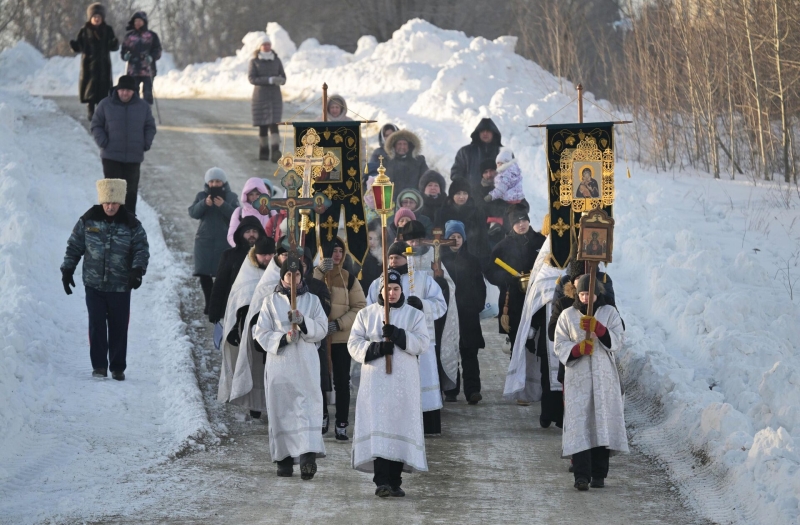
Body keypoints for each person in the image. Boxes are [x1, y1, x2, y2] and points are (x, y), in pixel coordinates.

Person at [348, 269, 430, 497]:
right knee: (380, 426)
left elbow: (423, 343)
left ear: (401, 290)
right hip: (376, 382)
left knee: (399, 425)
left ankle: (395, 480)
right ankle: (382, 481)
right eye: (388, 289)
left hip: (403, 382)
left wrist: (399, 335)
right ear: (381, 290)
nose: (392, 293)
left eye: (396, 289)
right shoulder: (366, 314)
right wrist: (375, 348)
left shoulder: (414, 315)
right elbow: (353, 343)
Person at [61, 179, 149, 380]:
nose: (110, 207)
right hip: (94, 285)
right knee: (97, 325)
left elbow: (141, 249)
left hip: (120, 285)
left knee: (119, 326)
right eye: (107, 203)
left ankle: (117, 367)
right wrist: (67, 269)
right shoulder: (88, 220)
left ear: (120, 202)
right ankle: (99, 366)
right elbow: (74, 246)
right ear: (102, 201)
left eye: (114, 203)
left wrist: (137, 271)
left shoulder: (132, 224)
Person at [253, 258, 329, 479]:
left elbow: (322, 328)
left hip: (305, 361)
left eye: (297, 275)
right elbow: (261, 333)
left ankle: (307, 458)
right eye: (289, 275)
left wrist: (303, 322)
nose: (293, 279)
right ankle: (284, 460)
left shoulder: (313, 300)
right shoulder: (270, 302)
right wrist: (284, 338)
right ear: (282, 276)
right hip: (281, 363)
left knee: (307, 407)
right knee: (282, 409)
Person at [554, 275, 627, 490]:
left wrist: (600, 330)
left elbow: (618, 339)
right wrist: (577, 349)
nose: (586, 298)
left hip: (604, 376)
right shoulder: (567, 315)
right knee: (580, 424)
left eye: (589, 294)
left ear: (597, 293)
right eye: (583, 294)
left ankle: (599, 474)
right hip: (578, 378)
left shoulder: (609, 312)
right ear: (577, 294)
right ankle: (581, 476)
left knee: (601, 422)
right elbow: (559, 343)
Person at [365, 241, 446, 435]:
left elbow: (441, 305)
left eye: (398, 257)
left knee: (423, 380)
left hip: (418, 341)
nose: (393, 261)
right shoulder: (379, 283)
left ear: (407, 258)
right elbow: (369, 310)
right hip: (390, 342)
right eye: (391, 257)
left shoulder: (422, 279)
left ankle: (428, 426)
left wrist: (422, 305)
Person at [314, 237, 366, 441]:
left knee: (342, 381)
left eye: (340, 251)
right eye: (333, 250)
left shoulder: (349, 278)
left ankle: (342, 422)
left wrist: (339, 324)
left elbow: (359, 306)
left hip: (341, 339)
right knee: (319, 380)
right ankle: (322, 416)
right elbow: (305, 296)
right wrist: (319, 273)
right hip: (318, 338)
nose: (336, 255)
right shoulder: (313, 275)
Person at [220, 236, 275, 420]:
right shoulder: (247, 272)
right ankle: (254, 405)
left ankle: (272, 404)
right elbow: (238, 300)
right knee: (254, 366)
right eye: (263, 255)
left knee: (272, 367)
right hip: (249, 327)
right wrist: (235, 328)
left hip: (273, 326)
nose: (267, 258)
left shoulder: (277, 271)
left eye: (270, 254)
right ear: (255, 254)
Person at [486, 205, 545, 364]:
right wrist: (508, 278)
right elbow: (490, 272)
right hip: (512, 300)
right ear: (512, 225)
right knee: (517, 343)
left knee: (539, 344)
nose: (521, 224)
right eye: (517, 222)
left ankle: (539, 378)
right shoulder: (503, 246)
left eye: (524, 220)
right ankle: (516, 376)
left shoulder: (541, 242)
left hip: (538, 298)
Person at [91, 75, 156, 215]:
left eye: (128, 90)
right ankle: (111, 221)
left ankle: (128, 222)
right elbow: (96, 124)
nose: (125, 93)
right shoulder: (105, 104)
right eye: (122, 90)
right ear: (117, 89)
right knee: (112, 193)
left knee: (130, 192)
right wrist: (103, 142)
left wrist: (145, 143)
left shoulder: (143, 107)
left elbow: (150, 126)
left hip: (133, 157)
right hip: (111, 156)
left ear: (134, 91)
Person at [440, 220, 484, 404]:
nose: (456, 240)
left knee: (470, 354)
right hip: (447, 313)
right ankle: (451, 389)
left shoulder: (472, 260)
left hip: (468, 315)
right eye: (452, 236)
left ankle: (473, 390)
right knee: (449, 351)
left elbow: (480, 286)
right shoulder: (440, 261)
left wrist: (476, 306)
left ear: (464, 239)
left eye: (459, 236)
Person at [188, 167, 239, 315]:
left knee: (222, 274)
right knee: (204, 273)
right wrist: (204, 203)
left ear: (223, 182)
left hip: (224, 241)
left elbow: (237, 215)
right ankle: (209, 303)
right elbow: (193, 213)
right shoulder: (201, 196)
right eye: (212, 181)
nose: (215, 184)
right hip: (204, 241)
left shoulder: (231, 197)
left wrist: (223, 205)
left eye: (218, 181)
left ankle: (219, 304)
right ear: (207, 183)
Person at [208, 216, 262, 325]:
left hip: (260, 312)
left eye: (255, 231)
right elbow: (220, 284)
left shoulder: (266, 256)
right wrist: (214, 312)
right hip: (234, 310)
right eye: (247, 231)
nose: (251, 234)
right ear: (241, 234)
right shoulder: (229, 255)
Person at [69, 3, 119, 120]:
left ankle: (101, 112)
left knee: (103, 91)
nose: (97, 19)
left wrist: (114, 43)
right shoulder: (85, 30)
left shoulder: (108, 30)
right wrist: (74, 45)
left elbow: (113, 46)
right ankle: (91, 111)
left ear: (102, 18)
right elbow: (79, 46)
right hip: (89, 66)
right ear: (90, 17)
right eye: (94, 16)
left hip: (103, 65)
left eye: (99, 16)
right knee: (90, 91)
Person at [433, 179, 489, 266]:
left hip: (472, 257)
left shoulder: (477, 212)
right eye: (458, 193)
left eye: (465, 193)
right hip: (447, 257)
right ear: (452, 195)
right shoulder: (441, 213)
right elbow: (437, 236)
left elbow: (483, 237)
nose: (462, 197)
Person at [248, 35, 286, 162]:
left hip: (275, 97)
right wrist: (269, 80)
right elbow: (252, 79)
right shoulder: (254, 61)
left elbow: (283, 76)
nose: (267, 46)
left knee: (274, 124)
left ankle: (276, 153)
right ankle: (263, 152)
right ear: (259, 47)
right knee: (263, 126)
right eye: (264, 44)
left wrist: (280, 80)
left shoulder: (276, 60)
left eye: (268, 44)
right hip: (260, 97)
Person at [450, 117, 502, 196]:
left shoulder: (503, 153)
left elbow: (513, 176)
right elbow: (456, 173)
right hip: (471, 198)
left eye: (488, 131)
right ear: (478, 133)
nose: (485, 133)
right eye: (482, 131)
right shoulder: (465, 152)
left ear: (493, 133)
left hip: (497, 198)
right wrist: (463, 190)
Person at [120, 11, 162, 105]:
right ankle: (135, 110)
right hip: (133, 71)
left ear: (144, 22)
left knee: (147, 93)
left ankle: (146, 110)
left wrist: (152, 57)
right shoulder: (129, 36)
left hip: (148, 70)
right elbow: (123, 51)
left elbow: (158, 50)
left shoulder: (152, 36)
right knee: (133, 93)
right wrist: (125, 56)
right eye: (136, 21)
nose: (137, 23)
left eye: (139, 21)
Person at [226, 177, 270, 247]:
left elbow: (277, 232)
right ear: (246, 195)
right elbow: (231, 235)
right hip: (244, 250)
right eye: (251, 194)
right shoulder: (239, 212)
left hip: (265, 251)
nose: (254, 197)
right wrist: (239, 247)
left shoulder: (270, 212)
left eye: (257, 194)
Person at [383, 129, 428, 195]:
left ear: (409, 146)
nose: (402, 147)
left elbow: (426, 179)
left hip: (413, 198)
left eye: (405, 144)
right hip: (391, 199)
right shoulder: (387, 161)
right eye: (399, 144)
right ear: (394, 146)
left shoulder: (419, 161)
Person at [357, 219, 383, 293]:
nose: (372, 242)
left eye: (376, 239)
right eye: (370, 238)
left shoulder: (384, 255)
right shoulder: (361, 255)